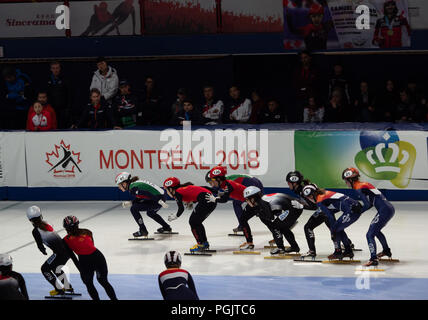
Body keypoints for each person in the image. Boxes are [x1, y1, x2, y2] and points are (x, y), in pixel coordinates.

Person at [342, 167, 395, 266]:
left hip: (384, 210)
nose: (346, 183)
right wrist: (361, 209)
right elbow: (370, 203)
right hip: (388, 208)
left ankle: (373, 259)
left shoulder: (358, 187)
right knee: (376, 231)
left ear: (350, 179)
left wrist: (359, 211)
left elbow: (366, 205)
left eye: (346, 181)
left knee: (369, 234)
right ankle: (386, 250)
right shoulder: (363, 184)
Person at [63, 215, 118, 300]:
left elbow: (76, 254)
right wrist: (81, 268)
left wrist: (81, 268)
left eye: (70, 228)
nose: (69, 230)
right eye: (69, 228)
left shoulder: (84, 233)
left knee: (96, 282)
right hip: (91, 260)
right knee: (96, 283)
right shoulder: (84, 233)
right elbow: (76, 254)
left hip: (91, 260)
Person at [301, 183, 362, 260]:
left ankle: (338, 252)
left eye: (310, 196)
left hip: (352, 210)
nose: (310, 198)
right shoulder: (323, 194)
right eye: (308, 197)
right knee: (339, 229)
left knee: (335, 229)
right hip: (354, 207)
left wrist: (332, 231)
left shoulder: (320, 200)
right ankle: (348, 250)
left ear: (314, 193)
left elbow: (329, 216)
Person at [26, 205, 75, 296]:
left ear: (30, 220)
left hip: (59, 253)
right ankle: (67, 287)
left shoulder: (35, 231)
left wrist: (43, 250)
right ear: (41, 215)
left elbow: (40, 245)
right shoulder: (47, 223)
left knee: (45, 269)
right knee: (56, 268)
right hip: (67, 250)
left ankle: (59, 289)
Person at [240, 186, 304, 254]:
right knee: (282, 227)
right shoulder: (260, 202)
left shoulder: (264, 203)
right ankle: (294, 247)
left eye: (247, 199)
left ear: (252, 199)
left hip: (294, 208)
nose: (246, 201)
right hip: (291, 207)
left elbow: (271, 218)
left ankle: (280, 248)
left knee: (277, 225)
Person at [163, 177, 216, 253]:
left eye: (166, 190)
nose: (167, 192)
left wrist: (176, 216)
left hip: (206, 201)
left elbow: (181, 208)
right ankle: (204, 243)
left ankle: (201, 244)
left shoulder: (177, 192)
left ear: (171, 189)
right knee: (196, 222)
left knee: (193, 222)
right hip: (211, 200)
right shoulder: (183, 189)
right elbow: (200, 189)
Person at [205, 166, 263, 234]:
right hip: (253, 182)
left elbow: (220, 195)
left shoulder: (225, 182)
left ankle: (243, 224)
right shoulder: (222, 180)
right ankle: (243, 223)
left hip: (251, 182)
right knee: (239, 203)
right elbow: (214, 191)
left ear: (216, 179)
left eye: (211, 182)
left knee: (239, 204)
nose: (212, 185)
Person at [115, 172, 171, 238]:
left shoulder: (132, 188)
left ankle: (143, 230)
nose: (119, 188)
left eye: (119, 185)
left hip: (157, 199)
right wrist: (131, 202)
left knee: (133, 209)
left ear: (124, 183)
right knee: (150, 213)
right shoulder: (134, 184)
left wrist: (159, 201)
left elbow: (146, 193)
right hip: (160, 196)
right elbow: (143, 196)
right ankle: (166, 227)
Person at [47, 61, 73, 129]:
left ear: (60, 69)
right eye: (53, 68)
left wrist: (68, 108)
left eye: (57, 68)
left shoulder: (66, 79)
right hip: (52, 110)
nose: (55, 70)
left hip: (63, 110)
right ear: (51, 69)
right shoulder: (48, 80)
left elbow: (70, 94)